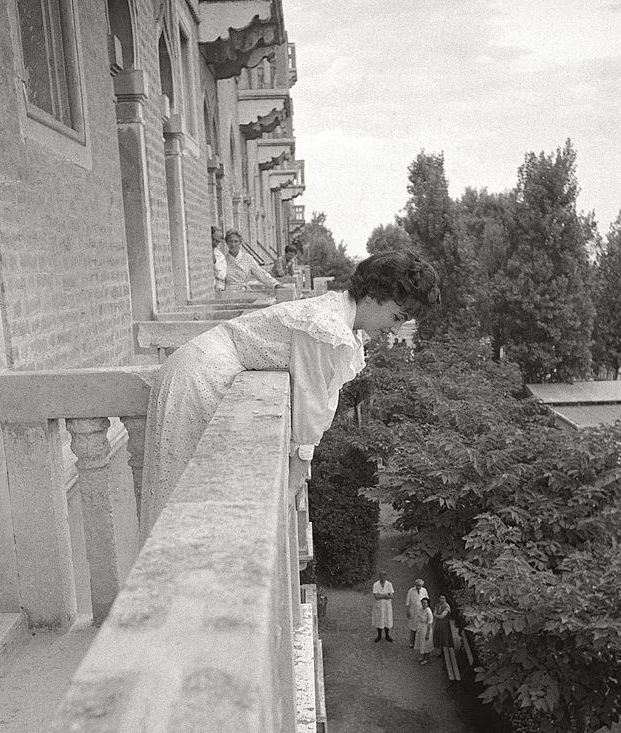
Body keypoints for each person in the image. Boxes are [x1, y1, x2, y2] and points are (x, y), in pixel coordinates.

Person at [140, 251, 440, 539]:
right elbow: (309, 410)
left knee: (195, 501)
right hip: (200, 375)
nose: (396, 328)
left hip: (209, 369)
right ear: (374, 297)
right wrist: (293, 483)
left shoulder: (339, 322)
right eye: (397, 316)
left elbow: (321, 401)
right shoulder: (325, 324)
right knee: (182, 500)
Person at [405, 578, 429, 648]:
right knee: (412, 628)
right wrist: (408, 611)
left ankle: (418, 643)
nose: (419, 587)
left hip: (421, 611)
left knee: (420, 627)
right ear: (415, 585)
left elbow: (427, 600)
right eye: (417, 585)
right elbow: (407, 601)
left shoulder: (424, 590)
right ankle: (411, 643)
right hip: (413, 611)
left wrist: (427, 611)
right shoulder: (411, 590)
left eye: (420, 586)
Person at [372, 571, 394, 642]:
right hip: (379, 606)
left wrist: (380, 595)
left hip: (387, 606)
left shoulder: (389, 584)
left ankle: (387, 635)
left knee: (387, 620)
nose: (382, 577)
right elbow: (376, 597)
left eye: (384, 576)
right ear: (379, 576)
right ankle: (379, 636)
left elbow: (391, 596)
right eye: (381, 576)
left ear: (386, 576)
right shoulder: (376, 584)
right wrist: (385, 595)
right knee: (379, 621)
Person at [415, 596, 434, 664]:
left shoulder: (428, 611)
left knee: (427, 644)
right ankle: (422, 656)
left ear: (428, 604)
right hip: (421, 627)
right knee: (421, 642)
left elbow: (430, 623)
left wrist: (428, 634)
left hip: (426, 628)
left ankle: (427, 659)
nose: (424, 604)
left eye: (425, 603)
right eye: (423, 603)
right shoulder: (420, 609)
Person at [211, 227, 227, 292]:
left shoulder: (220, 256)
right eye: (213, 239)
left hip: (218, 289)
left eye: (217, 241)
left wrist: (215, 262)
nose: (215, 242)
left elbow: (222, 275)